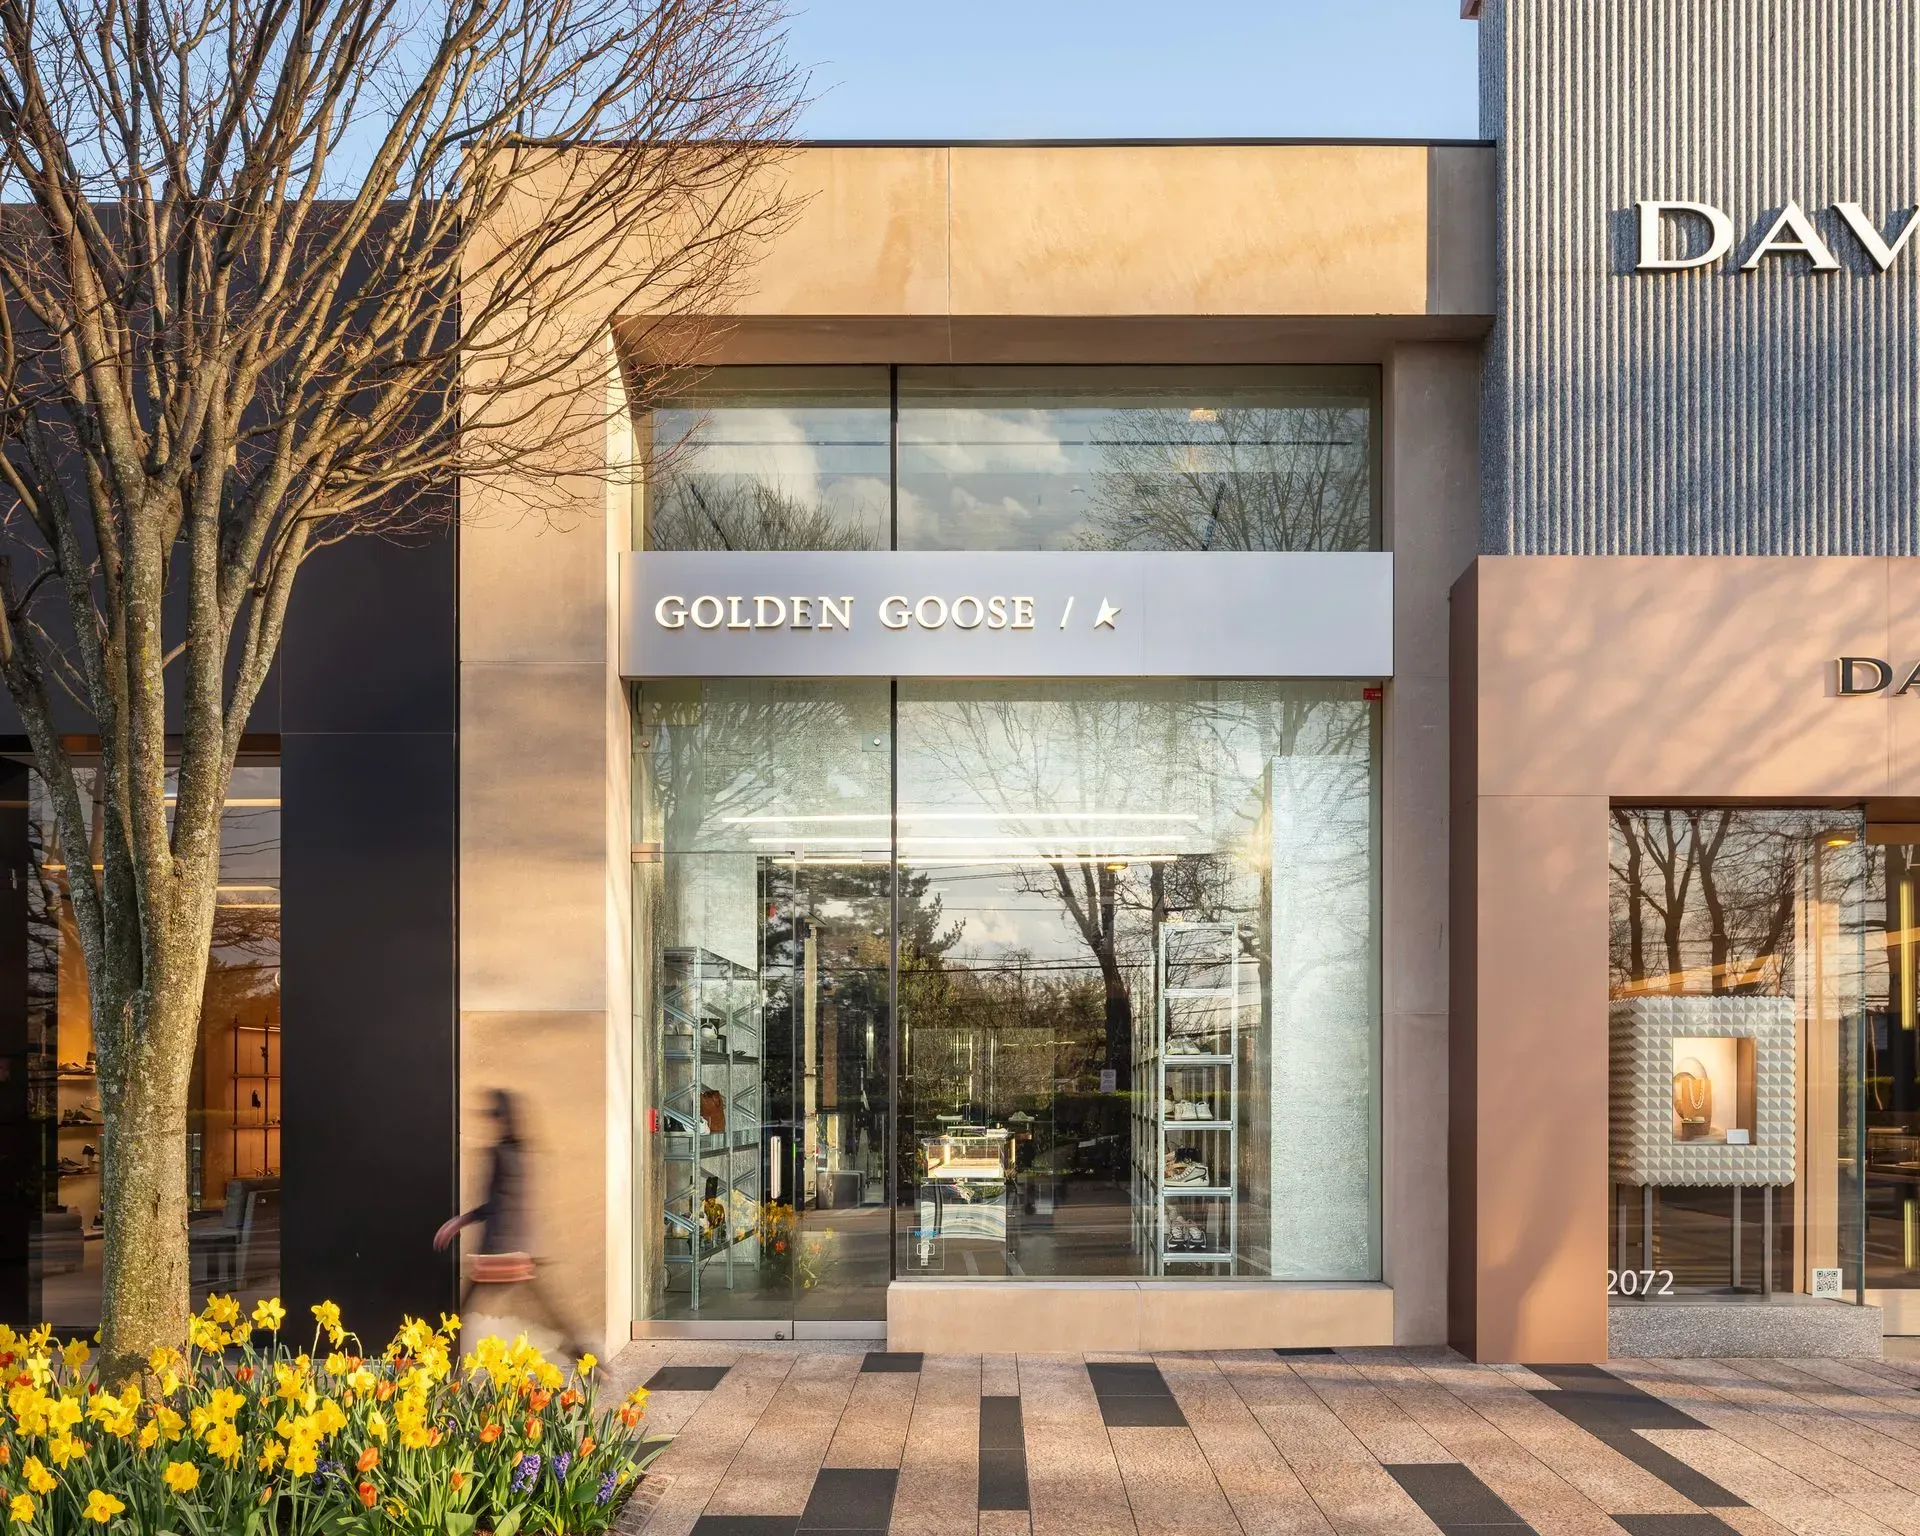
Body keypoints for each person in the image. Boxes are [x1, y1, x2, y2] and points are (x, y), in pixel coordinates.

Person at [434, 1088, 587, 1359]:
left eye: (492, 1116)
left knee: (460, 1317)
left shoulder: (499, 1153)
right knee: (547, 1314)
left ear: (500, 1118)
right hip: (523, 1250)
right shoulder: (523, 1150)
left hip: (499, 1252)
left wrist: (458, 1222)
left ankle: (450, 1370)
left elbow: (495, 1204)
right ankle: (587, 1359)